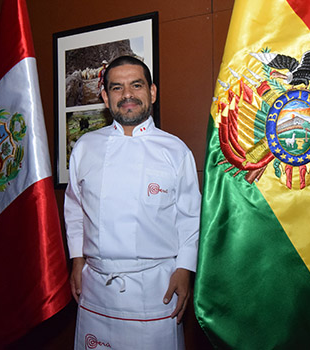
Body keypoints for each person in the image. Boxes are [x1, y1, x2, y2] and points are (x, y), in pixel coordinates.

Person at [64, 55, 201, 350]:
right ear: (105, 97)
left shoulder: (176, 150)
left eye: (136, 85)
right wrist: (77, 259)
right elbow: (75, 208)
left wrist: (185, 270)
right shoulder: (85, 147)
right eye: (117, 88)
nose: (127, 95)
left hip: (156, 290)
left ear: (152, 92)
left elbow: (190, 217)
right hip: (97, 288)